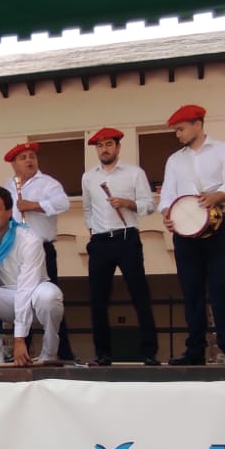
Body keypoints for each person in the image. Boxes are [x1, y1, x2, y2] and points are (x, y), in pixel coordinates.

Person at [159, 105, 225, 366]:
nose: (178, 134)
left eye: (181, 128)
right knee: (191, 290)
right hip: (185, 235)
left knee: (221, 286)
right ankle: (195, 349)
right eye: (176, 130)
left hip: (218, 228)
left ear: (198, 124)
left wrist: (217, 195)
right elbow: (167, 195)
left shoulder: (223, 150)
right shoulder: (174, 160)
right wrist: (167, 214)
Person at [81, 128, 160, 367]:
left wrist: (128, 203)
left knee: (139, 294)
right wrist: (93, 230)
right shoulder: (88, 177)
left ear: (117, 147)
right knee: (98, 298)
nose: (104, 149)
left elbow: (149, 205)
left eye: (109, 144)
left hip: (127, 237)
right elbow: (87, 209)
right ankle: (102, 353)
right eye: (100, 145)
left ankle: (149, 352)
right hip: (100, 241)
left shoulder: (134, 173)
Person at [0, 187, 64, 366]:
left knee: (50, 296)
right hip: (5, 297)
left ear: (9, 212)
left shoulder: (29, 240)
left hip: (34, 295)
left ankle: (49, 353)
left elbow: (25, 289)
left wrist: (20, 340)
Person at [2, 142, 75, 361]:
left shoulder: (48, 183)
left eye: (32, 156)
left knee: (50, 300)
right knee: (21, 300)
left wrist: (34, 205)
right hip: (16, 253)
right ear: (14, 164)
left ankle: (61, 352)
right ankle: (24, 351)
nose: (29, 160)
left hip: (42, 250)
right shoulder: (8, 186)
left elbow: (63, 204)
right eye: (23, 157)